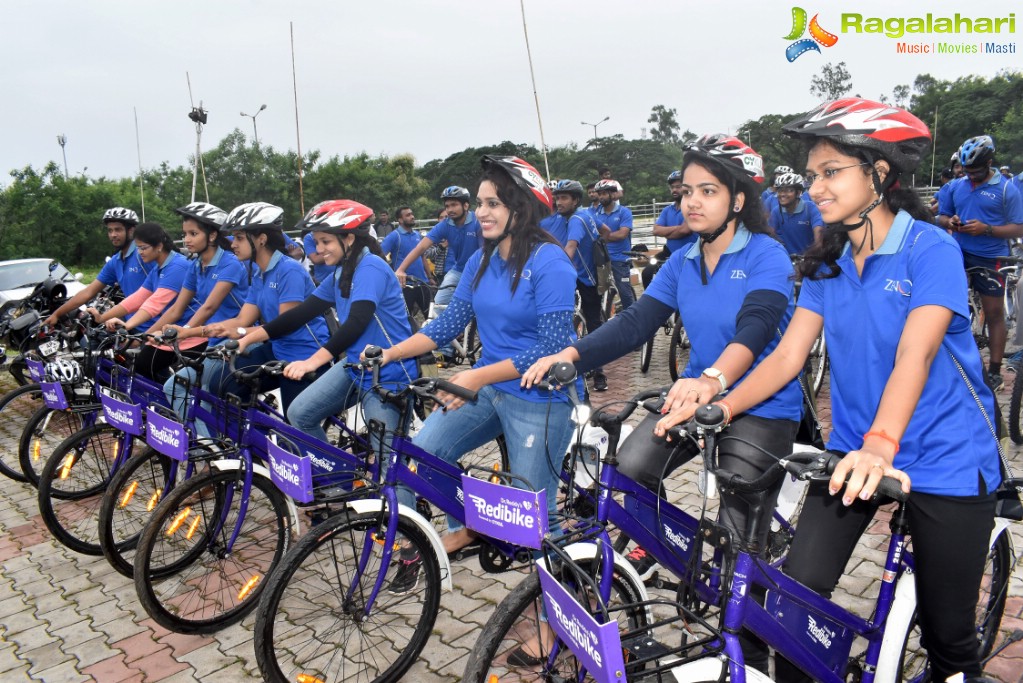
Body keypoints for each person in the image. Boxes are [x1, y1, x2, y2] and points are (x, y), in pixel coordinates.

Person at [671, 98, 1001, 683]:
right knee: (793, 606)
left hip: (944, 458)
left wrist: (881, 442)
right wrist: (720, 404)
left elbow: (915, 353)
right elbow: (787, 359)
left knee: (951, 640)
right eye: (813, 174)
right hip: (852, 454)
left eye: (831, 172)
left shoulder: (931, 248)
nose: (816, 186)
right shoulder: (829, 263)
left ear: (879, 174)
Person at [524, 135, 802, 673]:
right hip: (693, 396)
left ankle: (754, 650)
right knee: (629, 470)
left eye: (709, 191)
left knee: (742, 540)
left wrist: (717, 377)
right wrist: (572, 355)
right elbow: (634, 323)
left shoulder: (766, 254)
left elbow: (759, 322)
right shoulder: (683, 259)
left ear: (738, 200)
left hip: (759, 402)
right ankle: (679, 557)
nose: (692, 201)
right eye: (689, 190)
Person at [371, 155, 578, 567]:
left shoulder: (549, 262)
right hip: (490, 388)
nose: (481, 212)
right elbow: (448, 323)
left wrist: (475, 376)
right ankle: (465, 528)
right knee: (427, 454)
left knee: (538, 520)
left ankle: (557, 618)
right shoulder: (480, 260)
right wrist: (391, 351)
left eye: (493, 204)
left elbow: (551, 346)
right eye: (481, 202)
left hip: (541, 397)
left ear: (521, 208)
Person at [233, 200, 417, 448]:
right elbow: (300, 314)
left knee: (387, 463)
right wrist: (248, 338)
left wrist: (312, 361)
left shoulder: (370, 266)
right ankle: (335, 479)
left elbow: (356, 322)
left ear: (349, 238)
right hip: (355, 365)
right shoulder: (342, 272)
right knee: (300, 414)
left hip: (387, 372)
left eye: (326, 241)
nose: (319, 249)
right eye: (316, 242)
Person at [204, 202, 329, 416]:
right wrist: (212, 329)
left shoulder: (289, 270)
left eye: (240, 238)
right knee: (222, 384)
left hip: (304, 353)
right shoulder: (260, 272)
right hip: (277, 349)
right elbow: (243, 319)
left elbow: (283, 324)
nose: (233, 243)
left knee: (296, 423)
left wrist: (242, 335)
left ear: (261, 239)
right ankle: (255, 444)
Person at [936, 134, 1023, 390]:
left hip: (992, 256)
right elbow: (941, 216)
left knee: (995, 313)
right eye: (967, 171)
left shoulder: (1007, 189)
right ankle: (947, 361)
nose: (970, 176)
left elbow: (1019, 228)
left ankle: (994, 370)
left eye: (976, 171)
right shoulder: (955, 186)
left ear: (990, 163)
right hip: (958, 253)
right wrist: (949, 222)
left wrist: (987, 230)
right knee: (946, 307)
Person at [156, 202, 249, 416]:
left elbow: (209, 307)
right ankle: (204, 440)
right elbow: (177, 309)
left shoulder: (230, 263)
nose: (186, 239)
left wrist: (185, 331)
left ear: (213, 235)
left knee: (196, 393)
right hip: (214, 342)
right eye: (185, 234)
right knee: (177, 387)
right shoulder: (196, 265)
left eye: (193, 233)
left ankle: (204, 445)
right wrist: (153, 332)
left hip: (234, 340)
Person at [89, 222, 192, 379]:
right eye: (137, 248)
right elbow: (137, 298)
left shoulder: (178, 266)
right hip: (171, 332)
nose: (140, 253)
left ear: (159, 246)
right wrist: (103, 317)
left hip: (188, 332)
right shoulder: (158, 268)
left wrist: (129, 326)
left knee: (144, 368)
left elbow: (154, 304)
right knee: (140, 368)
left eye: (143, 248)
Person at [395, 186, 481, 362]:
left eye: (454, 205)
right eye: (447, 205)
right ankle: (447, 350)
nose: (449, 209)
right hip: (458, 270)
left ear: (466, 206)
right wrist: (401, 269)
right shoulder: (445, 225)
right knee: (440, 305)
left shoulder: (477, 222)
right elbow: (421, 248)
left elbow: (486, 252)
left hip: (481, 269)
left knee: (485, 309)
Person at [546, 179, 609, 392]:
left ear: (575, 200)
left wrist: (552, 272)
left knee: (592, 326)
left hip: (586, 280)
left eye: (563, 198)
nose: (558, 202)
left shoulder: (575, 220)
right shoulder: (586, 214)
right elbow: (606, 231)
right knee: (583, 321)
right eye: (557, 198)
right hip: (581, 277)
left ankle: (599, 373)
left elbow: (570, 248)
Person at [44, 208, 154, 328]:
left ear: (131, 231)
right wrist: (57, 314)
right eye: (110, 230)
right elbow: (88, 292)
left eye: (118, 230)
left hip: (154, 327)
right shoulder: (115, 261)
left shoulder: (143, 254)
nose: (113, 235)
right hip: (131, 325)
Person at [643, 170, 696, 289]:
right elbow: (656, 230)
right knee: (646, 273)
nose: (674, 190)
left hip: (690, 252)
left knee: (683, 283)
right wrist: (678, 230)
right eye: (672, 187)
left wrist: (666, 232)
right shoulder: (667, 210)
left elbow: (685, 230)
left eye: (678, 186)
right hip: (669, 251)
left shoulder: (692, 207)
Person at [593, 178, 636, 311]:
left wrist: (601, 237)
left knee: (625, 293)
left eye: (604, 193)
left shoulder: (624, 212)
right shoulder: (594, 213)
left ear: (613, 194)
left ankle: (634, 322)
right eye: (599, 194)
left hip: (620, 259)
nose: (601, 197)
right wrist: (610, 236)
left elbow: (622, 234)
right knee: (595, 293)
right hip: (601, 259)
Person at [381, 206, 431, 317]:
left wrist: (430, 277)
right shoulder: (394, 236)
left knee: (430, 316)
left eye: (412, 214)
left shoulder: (417, 235)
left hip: (422, 283)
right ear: (400, 220)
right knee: (405, 318)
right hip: (405, 286)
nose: (412, 217)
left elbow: (422, 257)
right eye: (408, 215)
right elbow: (380, 256)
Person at [768, 171, 825, 255]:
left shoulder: (810, 208)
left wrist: (814, 255)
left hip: (811, 257)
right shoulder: (776, 212)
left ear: (798, 193)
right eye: (780, 191)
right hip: (788, 259)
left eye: (788, 190)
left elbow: (818, 232)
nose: (782, 194)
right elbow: (769, 234)